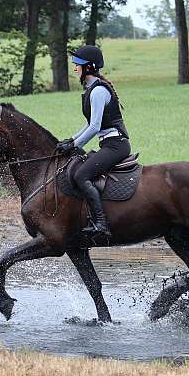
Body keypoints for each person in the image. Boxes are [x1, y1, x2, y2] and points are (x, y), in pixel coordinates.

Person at [55, 45, 131, 239]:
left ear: (88, 67)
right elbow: (89, 124)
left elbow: (95, 127)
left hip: (116, 145)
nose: (75, 69)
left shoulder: (98, 91)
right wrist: (71, 140)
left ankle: (100, 223)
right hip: (108, 144)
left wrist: (75, 145)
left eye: (77, 65)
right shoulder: (92, 89)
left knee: (81, 175)